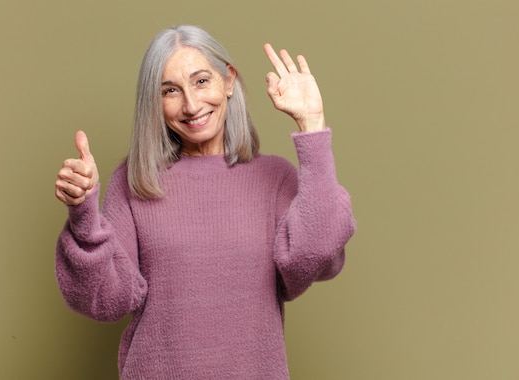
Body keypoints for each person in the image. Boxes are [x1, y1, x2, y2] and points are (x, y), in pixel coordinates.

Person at [54, 25, 356, 380]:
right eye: (170, 90)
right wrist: (83, 214)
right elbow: (106, 300)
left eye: (201, 81)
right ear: (155, 101)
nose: (191, 105)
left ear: (228, 81)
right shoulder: (135, 182)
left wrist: (313, 127)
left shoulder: (274, 178)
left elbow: (318, 255)